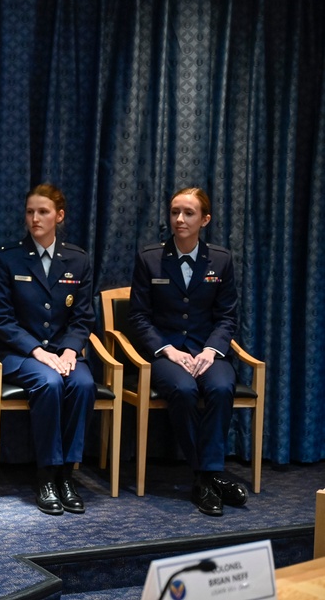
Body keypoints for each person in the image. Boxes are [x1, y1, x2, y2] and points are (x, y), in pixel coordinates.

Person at [127, 186, 247, 517]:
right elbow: (138, 316)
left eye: (189, 213)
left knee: (222, 387)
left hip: (207, 350)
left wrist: (212, 350)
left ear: (204, 220)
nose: (180, 219)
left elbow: (227, 316)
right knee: (182, 389)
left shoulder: (220, 260)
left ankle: (205, 478)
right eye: (175, 212)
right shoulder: (150, 258)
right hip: (167, 353)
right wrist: (166, 350)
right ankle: (208, 476)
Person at [0, 184, 96, 515]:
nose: (35, 218)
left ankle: (66, 476)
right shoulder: (8, 256)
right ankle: (46, 475)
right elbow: (0, 318)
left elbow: (83, 316)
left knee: (84, 384)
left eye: (43, 212)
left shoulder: (78, 259)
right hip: (20, 354)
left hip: (63, 354)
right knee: (49, 383)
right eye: (30, 211)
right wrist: (37, 351)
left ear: (59, 216)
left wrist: (69, 351)